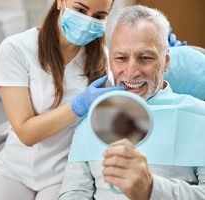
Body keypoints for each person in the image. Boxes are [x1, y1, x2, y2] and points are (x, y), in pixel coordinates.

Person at [0, 0, 126, 199]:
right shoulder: (16, 49)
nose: (87, 21)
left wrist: (161, 51)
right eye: (80, 10)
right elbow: (26, 133)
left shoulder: (102, 59)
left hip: (64, 173)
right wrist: (79, 105)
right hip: (14, 168)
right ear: (60, 2)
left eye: (99, 17)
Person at [58, 5, 205, 200]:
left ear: (166, 61)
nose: (131, 72)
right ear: (110, 60)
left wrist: (151, 189)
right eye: (121, 58)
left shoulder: (199, 117)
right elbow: (74, 192)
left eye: (145, 58)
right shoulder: (92, 117)